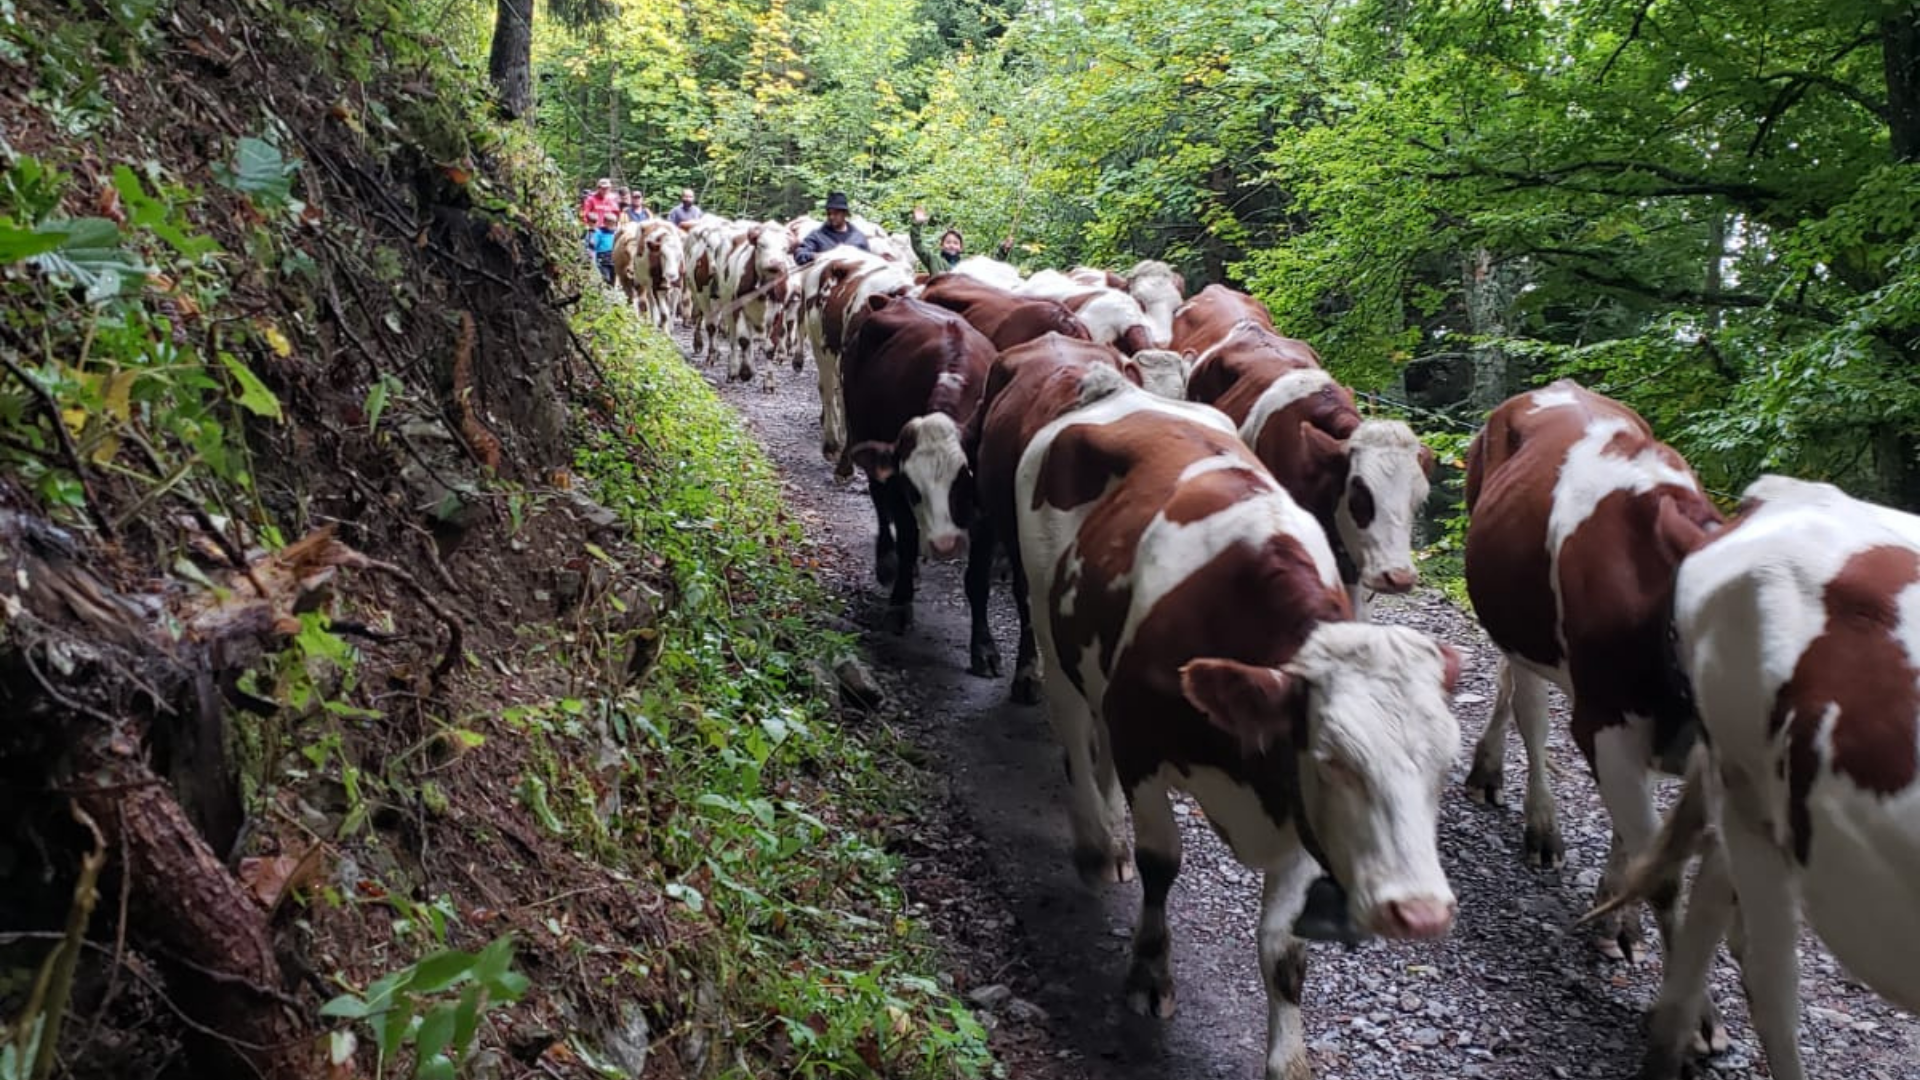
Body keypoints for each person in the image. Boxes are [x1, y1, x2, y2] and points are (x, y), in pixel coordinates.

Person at [793, 191, 870, 265]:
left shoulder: (858, 238)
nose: (831, 217)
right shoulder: (817, 235)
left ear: (845, 213)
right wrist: (819, 256)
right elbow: (800, 254)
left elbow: (869, 261)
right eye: (829, 213)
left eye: (836, 213)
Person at [908, 206, 964, 272]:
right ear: (941, 246)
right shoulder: (934, 260)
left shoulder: (966, 265)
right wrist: (917, 224)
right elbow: (918, 246)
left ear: (961, 247)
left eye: (955, 243)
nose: (951, 245)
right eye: (948, 242)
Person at [591, 212, 620, 284]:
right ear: (605, 223)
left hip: (613, 256)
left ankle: (611, 288)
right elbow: (593, 243)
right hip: (602, 257)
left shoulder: (616, 232)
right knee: (606, 277)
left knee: (613, 278)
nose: (613, 225)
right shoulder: (599, 232)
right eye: (610, 223)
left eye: (614, 223)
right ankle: (605, 287)